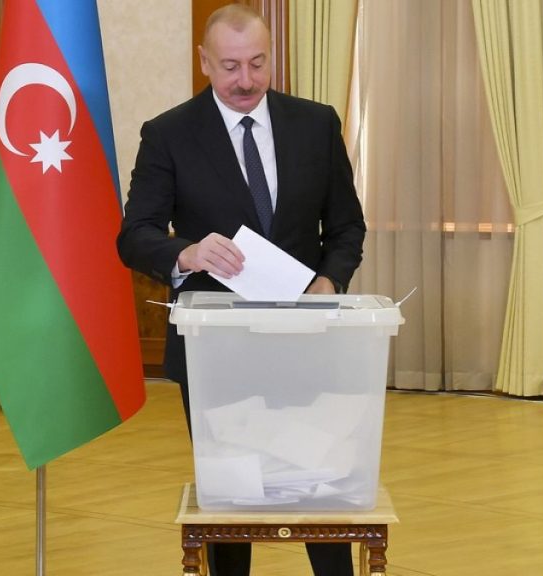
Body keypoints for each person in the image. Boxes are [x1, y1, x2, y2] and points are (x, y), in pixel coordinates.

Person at [116, 5, 365, 576]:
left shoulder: (316, 123)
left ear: (271, 57)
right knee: (231, 500)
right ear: (204, 63)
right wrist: (186, 252)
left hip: (307, 338)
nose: (246, 80)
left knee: (317, 485)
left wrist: (330, 280)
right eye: (230, 67)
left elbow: (347, 226)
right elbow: (135, 235)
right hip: (215, 350)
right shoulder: (169, 133)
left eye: (257, 63)